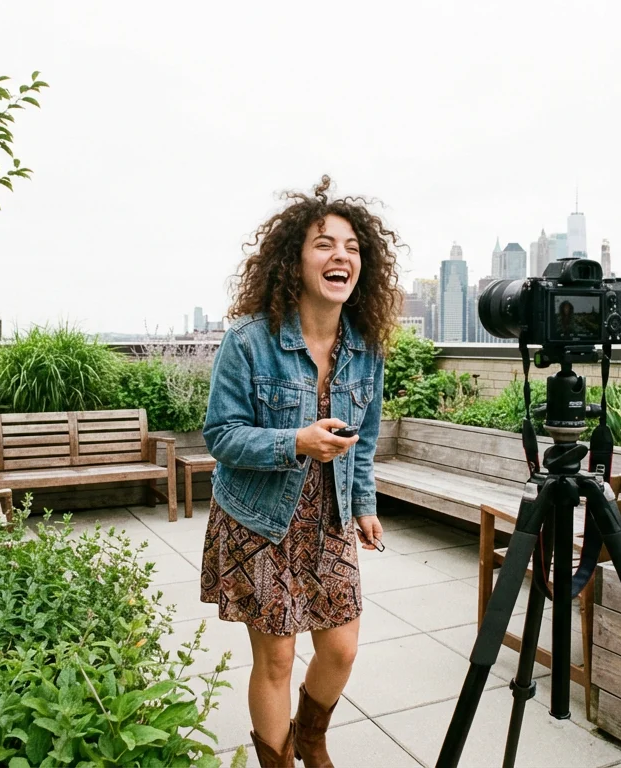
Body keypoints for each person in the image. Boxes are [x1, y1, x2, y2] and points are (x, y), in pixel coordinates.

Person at [200, 176, 402, 767]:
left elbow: (360, 444)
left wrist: (363, 504)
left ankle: (310, 736)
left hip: (330, 517)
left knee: (340, 649)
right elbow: (221, 436)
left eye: (352, 247)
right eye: (323, 244)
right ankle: (280, 760)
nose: (341, 255)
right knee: (278, 659)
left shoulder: (366, 347)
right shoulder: (248, 341)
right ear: (294, 259)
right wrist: (295, 441)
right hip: (260, 519)